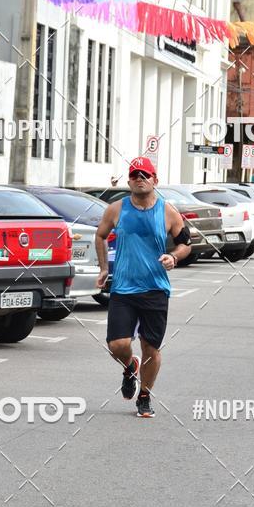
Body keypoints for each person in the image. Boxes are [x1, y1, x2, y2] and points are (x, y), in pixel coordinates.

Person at [95, 156, 192, 418]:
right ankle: (129, 368)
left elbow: (185, 244)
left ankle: (145, 395)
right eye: (134, 175)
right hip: (123, 289)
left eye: (145, 175)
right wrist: (103, 268)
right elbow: (100, 235)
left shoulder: (168, 212)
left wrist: (174, 257)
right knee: (117, 345)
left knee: (151, 348)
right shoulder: (116, 209)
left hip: (155, 290)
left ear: (154, 180)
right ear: (129, 181)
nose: (140, 178)